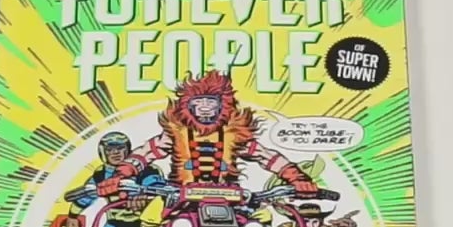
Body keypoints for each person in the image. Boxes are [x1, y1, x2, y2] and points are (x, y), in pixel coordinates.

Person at [104, 71, 319, 194]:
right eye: (199, 103)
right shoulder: (177, 132)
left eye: (211, 102)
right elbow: (145, 154)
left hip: (230, 199)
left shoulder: (234, 133)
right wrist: (120, 176)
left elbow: (265, 156)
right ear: (188, 106)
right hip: (180, 199)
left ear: (223, 105)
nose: (205, 108)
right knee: (152, 225)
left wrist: (297, 178)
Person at [41, 132, 165, 227]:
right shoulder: (101, 173)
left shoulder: (146, 170)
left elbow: (157, 188)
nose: (115, 153)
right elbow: (87, 195)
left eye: (120, 148)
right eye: (110, 149)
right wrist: (72, 216)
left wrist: (145, 196)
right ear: (103, 152)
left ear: (128, 150)